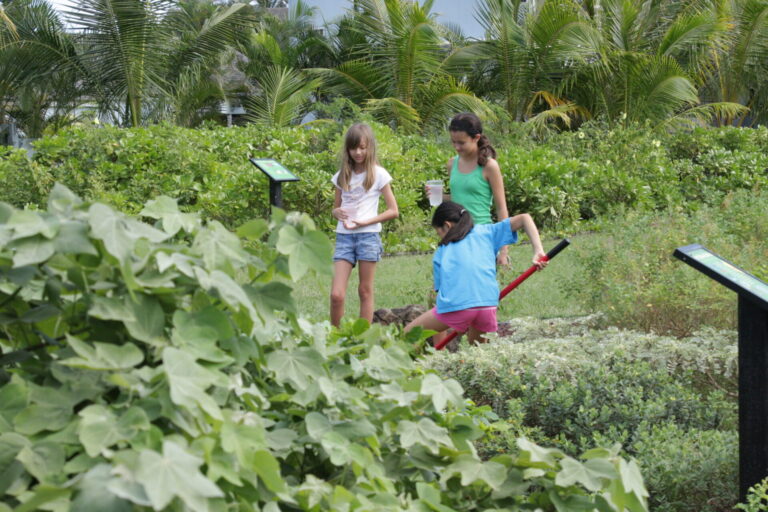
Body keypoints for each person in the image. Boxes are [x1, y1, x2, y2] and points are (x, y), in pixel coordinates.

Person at [405, 201, 546, 345]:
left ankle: (420, 361)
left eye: (439, 233)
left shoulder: (443, 249)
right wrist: (538, 250)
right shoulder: (487, 232)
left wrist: (459, 319)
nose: (440, 238)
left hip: (457, 306)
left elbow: (440, 293)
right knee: (479, 355)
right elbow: (524, 218)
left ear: (447, 226)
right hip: (487, 306)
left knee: (406, 335)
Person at [330, 123, 399, 327]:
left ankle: (362, 339)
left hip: (368, 236)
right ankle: (335, 337)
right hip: (344, 236)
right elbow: (336, 209)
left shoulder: (379, 174)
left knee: (365, 290)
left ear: (370, 147)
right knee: (336, 294)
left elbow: (393, 210)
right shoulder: (342, 175)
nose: (358, 152)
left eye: (362, 147)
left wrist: (365, 221)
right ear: (347, 149)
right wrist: (336, 212)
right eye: (354, 148)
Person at [427, 112, 511, 265]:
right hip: (456, 235)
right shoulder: (452, 164)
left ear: (476, 138)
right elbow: (458, 198)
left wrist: (503, 250)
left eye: (461, 142)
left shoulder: (489, 166)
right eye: (453, 142)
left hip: (481, 234)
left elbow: (501, 209)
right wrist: (438, 196)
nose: (456, 147)